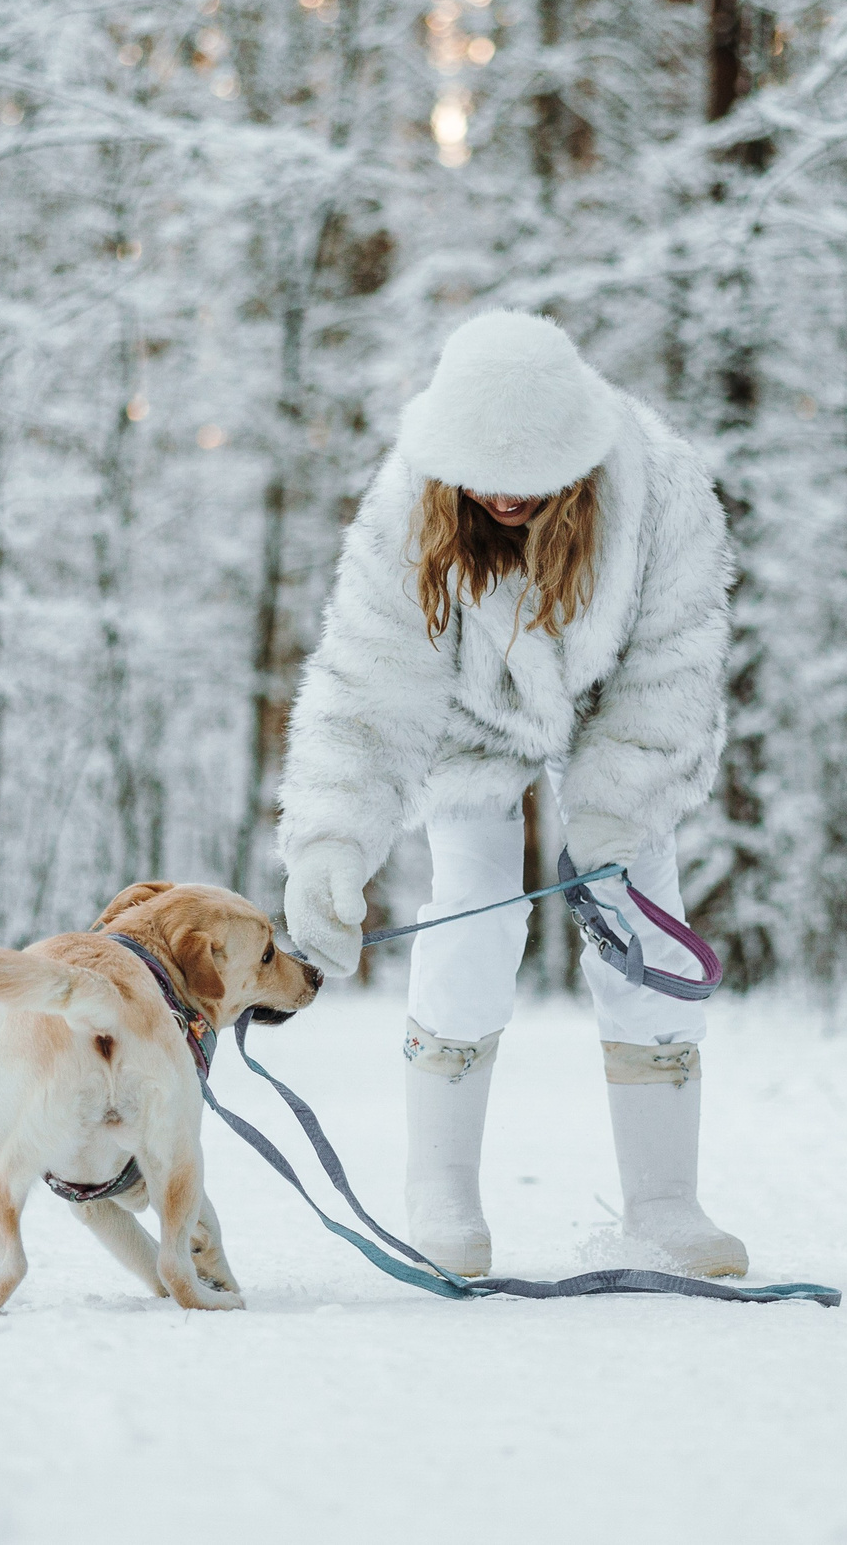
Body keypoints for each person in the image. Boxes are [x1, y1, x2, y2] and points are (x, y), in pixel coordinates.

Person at [276, 308, 745, 1279]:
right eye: (478, 476)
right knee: (472, 911)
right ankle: (439, 1188)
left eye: (523, 476)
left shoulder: (658, 486)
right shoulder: (406, 504)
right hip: (470, 718)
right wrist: (329, 847)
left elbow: (671, 667)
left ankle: (664, 1202)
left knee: (642, 911)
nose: (498, 494)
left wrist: (611, 824)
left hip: (616, 707)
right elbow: (365, 687)